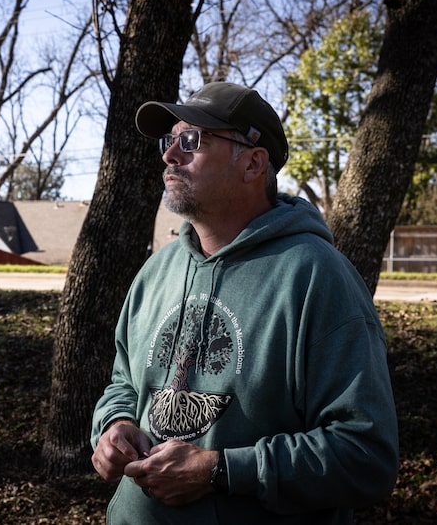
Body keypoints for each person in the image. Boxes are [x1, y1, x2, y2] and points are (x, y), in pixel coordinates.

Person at [90, 82, 399, 524]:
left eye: (191, 140)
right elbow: (124, 381)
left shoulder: (316, 277)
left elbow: (365, 453)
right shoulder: (155, 272)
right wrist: (114, 425)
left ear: (253, 163)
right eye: (169, 139)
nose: (169, 155)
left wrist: (220, 471)